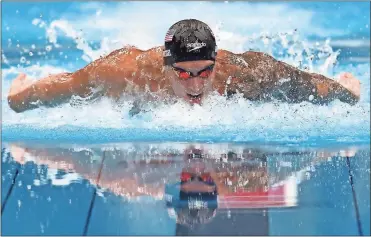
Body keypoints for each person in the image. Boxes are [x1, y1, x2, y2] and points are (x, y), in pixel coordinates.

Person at [7, 19, 361, 113]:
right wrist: (20, 99)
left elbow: (302, 84)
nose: (196, 85)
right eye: (184, 73)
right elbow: (70, 86)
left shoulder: (243, 72)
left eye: (205, 71)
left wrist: (346, 92)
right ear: (165, 66)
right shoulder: (124, 71)